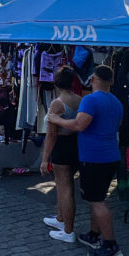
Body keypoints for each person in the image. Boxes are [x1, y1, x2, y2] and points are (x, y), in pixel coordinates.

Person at [46, 64, 125, 256]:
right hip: (110, 155)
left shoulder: (90, 100)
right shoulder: (116, 101)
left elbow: (79, 124)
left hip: (95, 157)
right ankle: (93, 234)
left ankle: (110, 244)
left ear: (94, 80)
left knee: (97, 201)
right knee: (95, 197)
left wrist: (56, 119)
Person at [40, 68, 82, 243]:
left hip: (62, 146)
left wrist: (44, 158)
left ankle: (68, 230)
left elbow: (51, 134)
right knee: (64, 184)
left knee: (65, 187)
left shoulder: (57, 103)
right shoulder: (79, 99)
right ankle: (60, 218)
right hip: (75, 145)